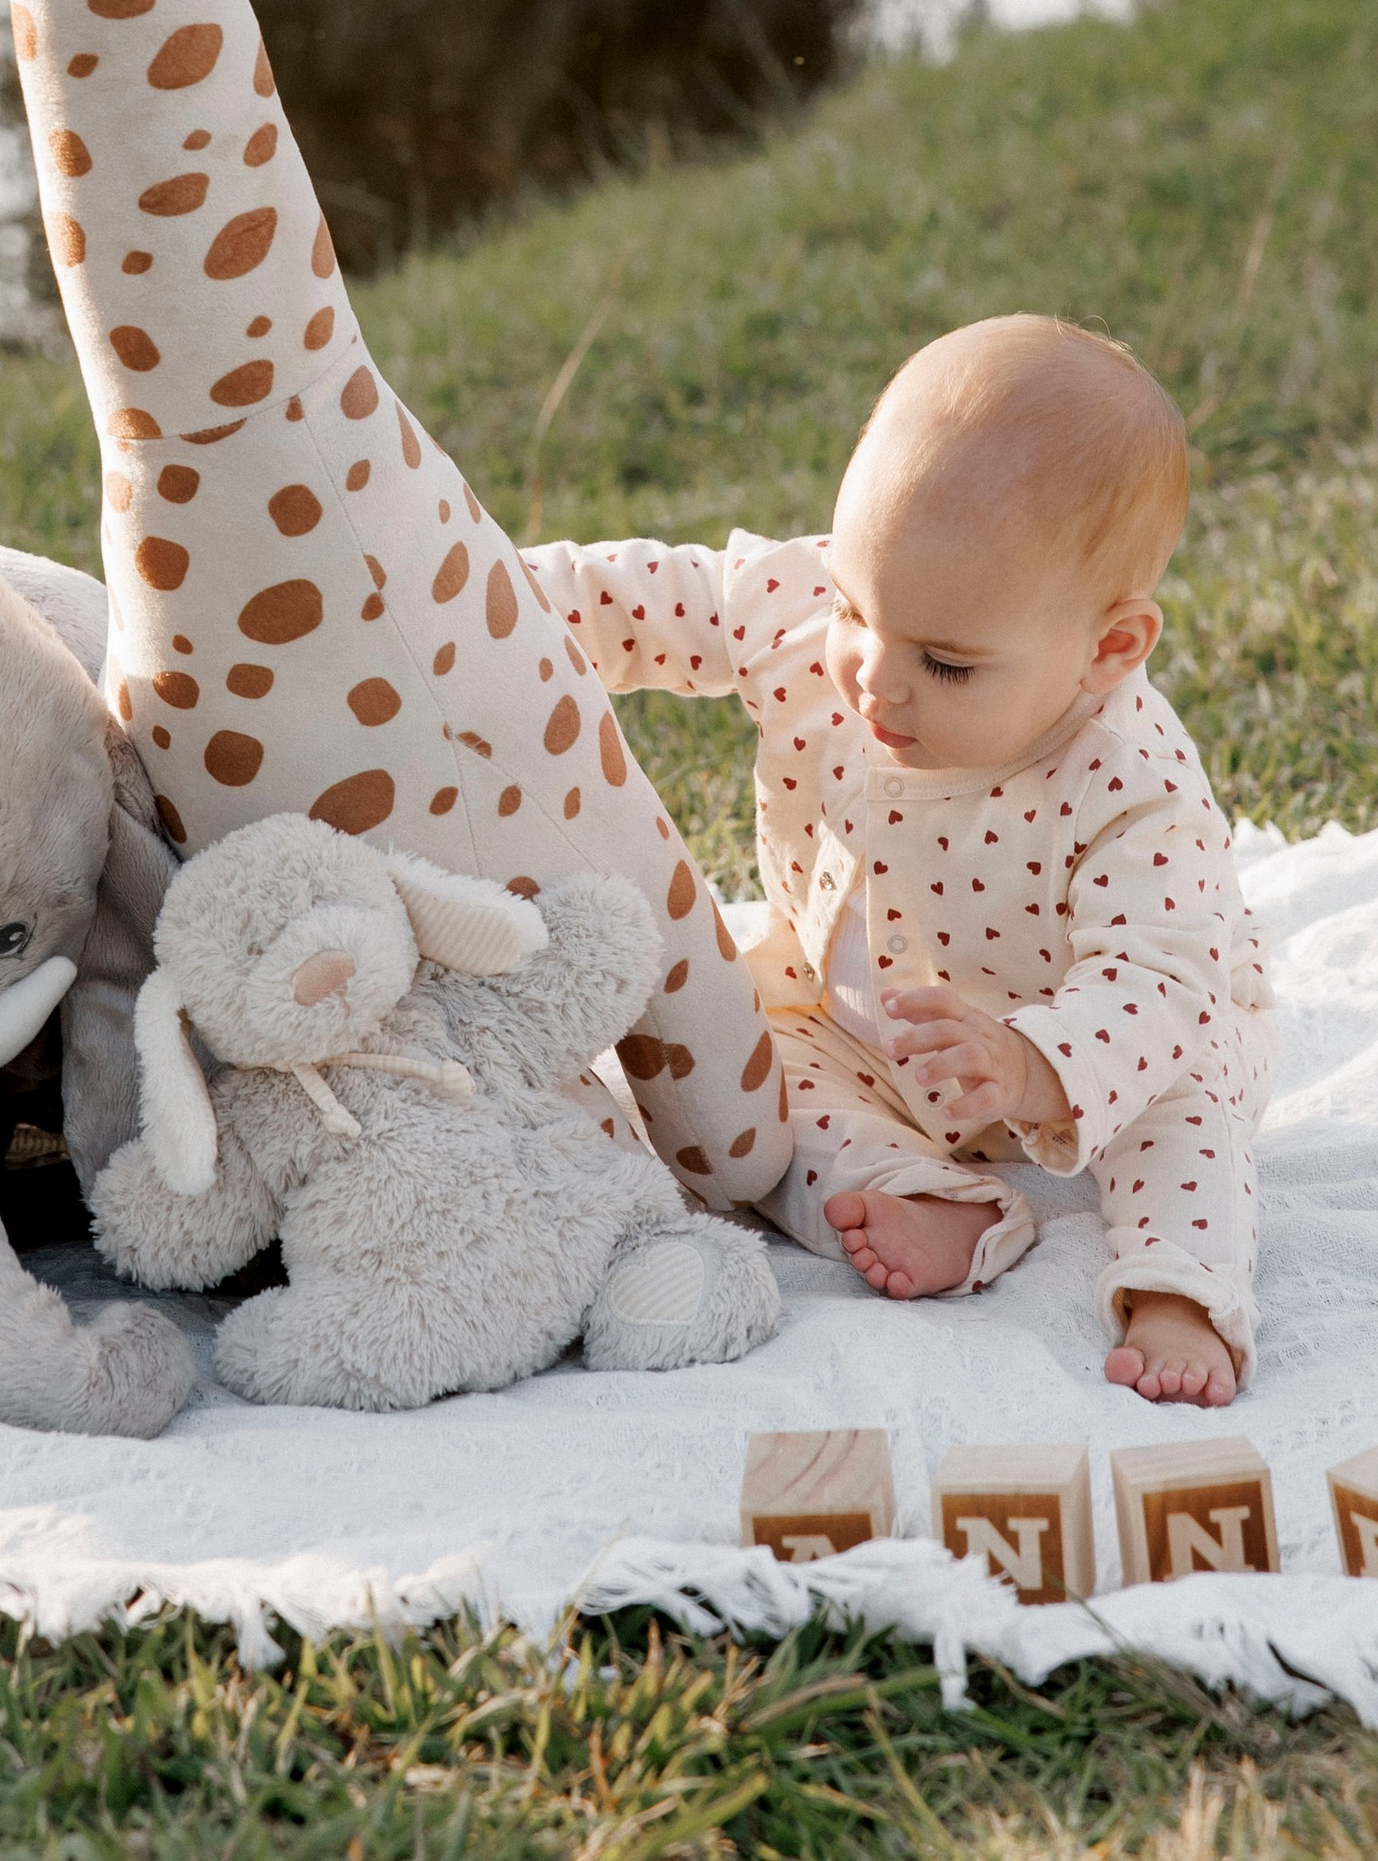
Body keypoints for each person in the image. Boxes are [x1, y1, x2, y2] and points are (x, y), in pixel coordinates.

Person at [527, 315, 1272, 1406]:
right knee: (736, 1081)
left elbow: (1158, 982)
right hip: (856, 1022)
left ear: (1107, 649)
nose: (873, 675)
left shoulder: (1129, 781)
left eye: (946, 664)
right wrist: (490, 597)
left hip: (1102, 1042)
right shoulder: (851, 616)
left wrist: (1031, 1066)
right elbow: (657, 596)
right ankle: (936, 1200)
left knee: (1184, 1106)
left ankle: (1182, 1291)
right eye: (851, 605)